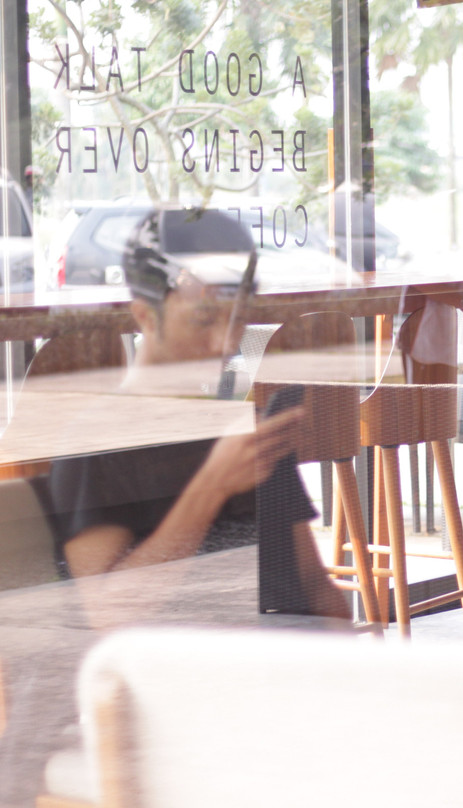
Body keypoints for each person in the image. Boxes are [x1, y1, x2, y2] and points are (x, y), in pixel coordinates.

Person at [47, 208, 349, 619]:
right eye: (203, 320)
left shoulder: (245, 430)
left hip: (281, 652)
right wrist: (211, 486)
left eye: (238, 320)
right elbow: (110, 615)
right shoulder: (98, 440)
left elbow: (312, 583)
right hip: (183, 659)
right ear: (145, 316)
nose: (224, 343)